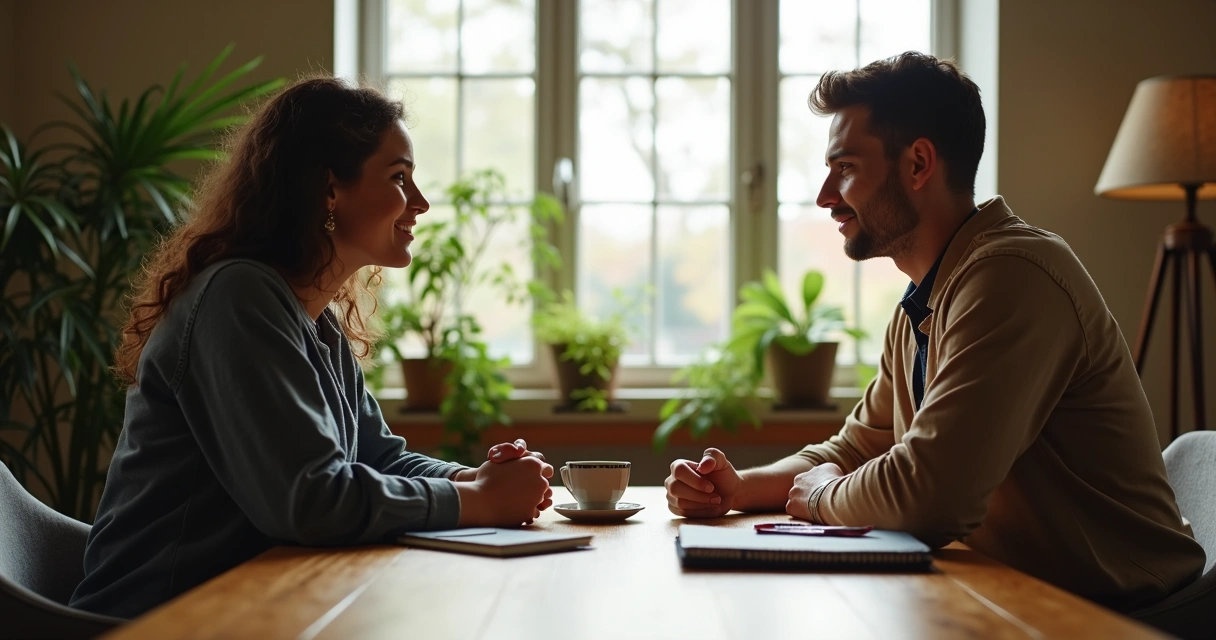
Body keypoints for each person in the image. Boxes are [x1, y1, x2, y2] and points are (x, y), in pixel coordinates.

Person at [664, 52, 1205, 612]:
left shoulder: (1011, 276)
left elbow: (932, 497)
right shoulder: (925, 300)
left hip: (1125, 618)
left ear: (919, 163)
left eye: (845, 167)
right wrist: (738, 488)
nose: (825, 196)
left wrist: (821, 497)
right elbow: (855, 448)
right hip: (1015, 599)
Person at [70, 77, 553, 619]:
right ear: (328, 189)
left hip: (251, 609)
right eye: (399, 178)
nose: (420, 203)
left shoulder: (311, 318)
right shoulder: (237, 296)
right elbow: (310, 501)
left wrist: (471, 478)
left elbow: (377, 455)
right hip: (157, 621)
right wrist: (482, 500)